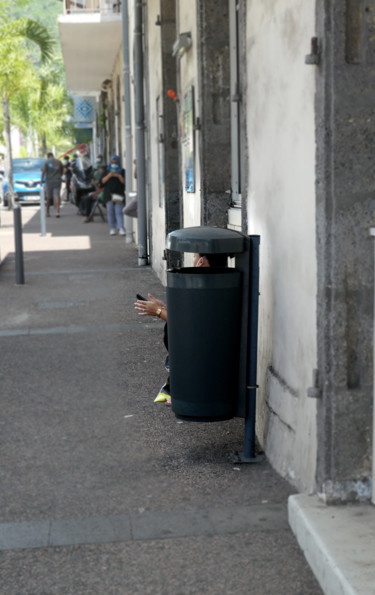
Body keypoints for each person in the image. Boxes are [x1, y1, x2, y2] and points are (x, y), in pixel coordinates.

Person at [134, 252, 228, 404]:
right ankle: (178, 389)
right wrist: (163, 307)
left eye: (195, 257)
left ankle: (183, 391)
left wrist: (158, 312)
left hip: (205, 355)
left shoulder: (206, 286)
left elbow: (190, 324)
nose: (193, 261)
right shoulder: (217, 281)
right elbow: (190, 315)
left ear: (201, 262)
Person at [100, 155, 126, 236]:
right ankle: (112, 228)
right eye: (112, 162)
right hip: (108, 194)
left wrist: (118, 176)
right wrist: (109, 175)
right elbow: (102, 182)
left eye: (116, 162)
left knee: (119, 211)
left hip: (118, 194)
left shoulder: (122, 171)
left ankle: (121, 228)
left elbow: (124, 182)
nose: (114, 164)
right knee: (110, 211)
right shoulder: (107, 171)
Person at [41, 152, 63, 217]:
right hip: (57, 181)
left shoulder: (46, 162)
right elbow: (62, 171)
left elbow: (43, 172)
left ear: (48, 156)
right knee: (57, 196)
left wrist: (41, 180)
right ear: (53, 156)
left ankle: (47, 212)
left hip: (49, 181)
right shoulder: (59, 161)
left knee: (48, 197)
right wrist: (59, 176)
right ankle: (57, 212)